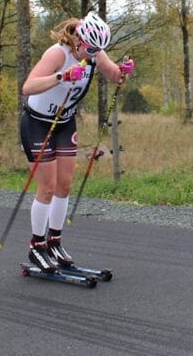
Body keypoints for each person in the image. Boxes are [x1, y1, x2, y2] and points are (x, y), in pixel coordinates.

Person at [20, 14, 134, 272]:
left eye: (97, 50)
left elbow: (114, 75)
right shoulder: (57, 53)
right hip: (38, 123)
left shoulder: (95, 52)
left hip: (64, 123)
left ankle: (54, 242)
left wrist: (124, 71)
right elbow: (28, 87)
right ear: (79, 40)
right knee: (47, 187)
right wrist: (62, 76)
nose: (94, 54)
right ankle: (36, 246)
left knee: (64, 185)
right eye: (90, 49)